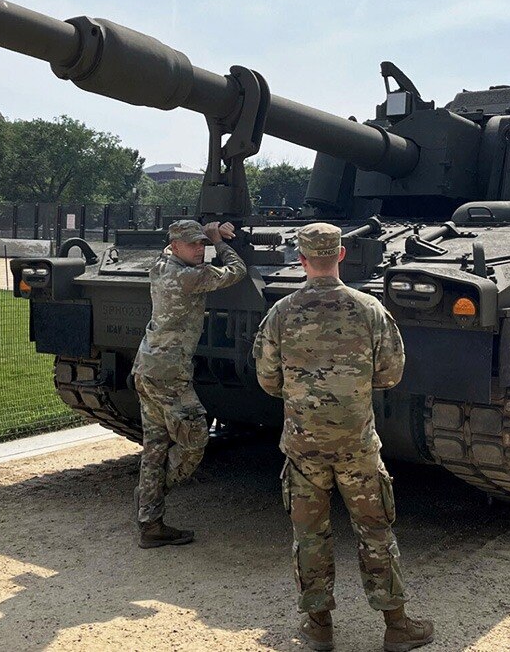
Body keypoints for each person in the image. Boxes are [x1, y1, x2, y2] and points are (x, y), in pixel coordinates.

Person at [254, 223, 433, 652]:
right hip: (356, 445)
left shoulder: (282, 312)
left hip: (303, 445)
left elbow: (267, 378)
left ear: (300, 259)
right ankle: (396, 626)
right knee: (374, 530)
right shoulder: (369, 309)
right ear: (341, 256)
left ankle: (318, 628)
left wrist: (302, 393)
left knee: (310, 534)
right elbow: (391, 373)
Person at [132, 218, 246, 547]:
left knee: (155, 447)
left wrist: (210, 235)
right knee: (196, 437)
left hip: (147, 367)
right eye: (194, 244)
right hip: (169, 374)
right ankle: (148, 498)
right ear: (176, 245)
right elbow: (236, 271)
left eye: (203, 244)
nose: (200, 249)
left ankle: (150, 523)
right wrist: (220, 242)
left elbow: (171, 253)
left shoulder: (161, 265)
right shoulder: (190, 277)